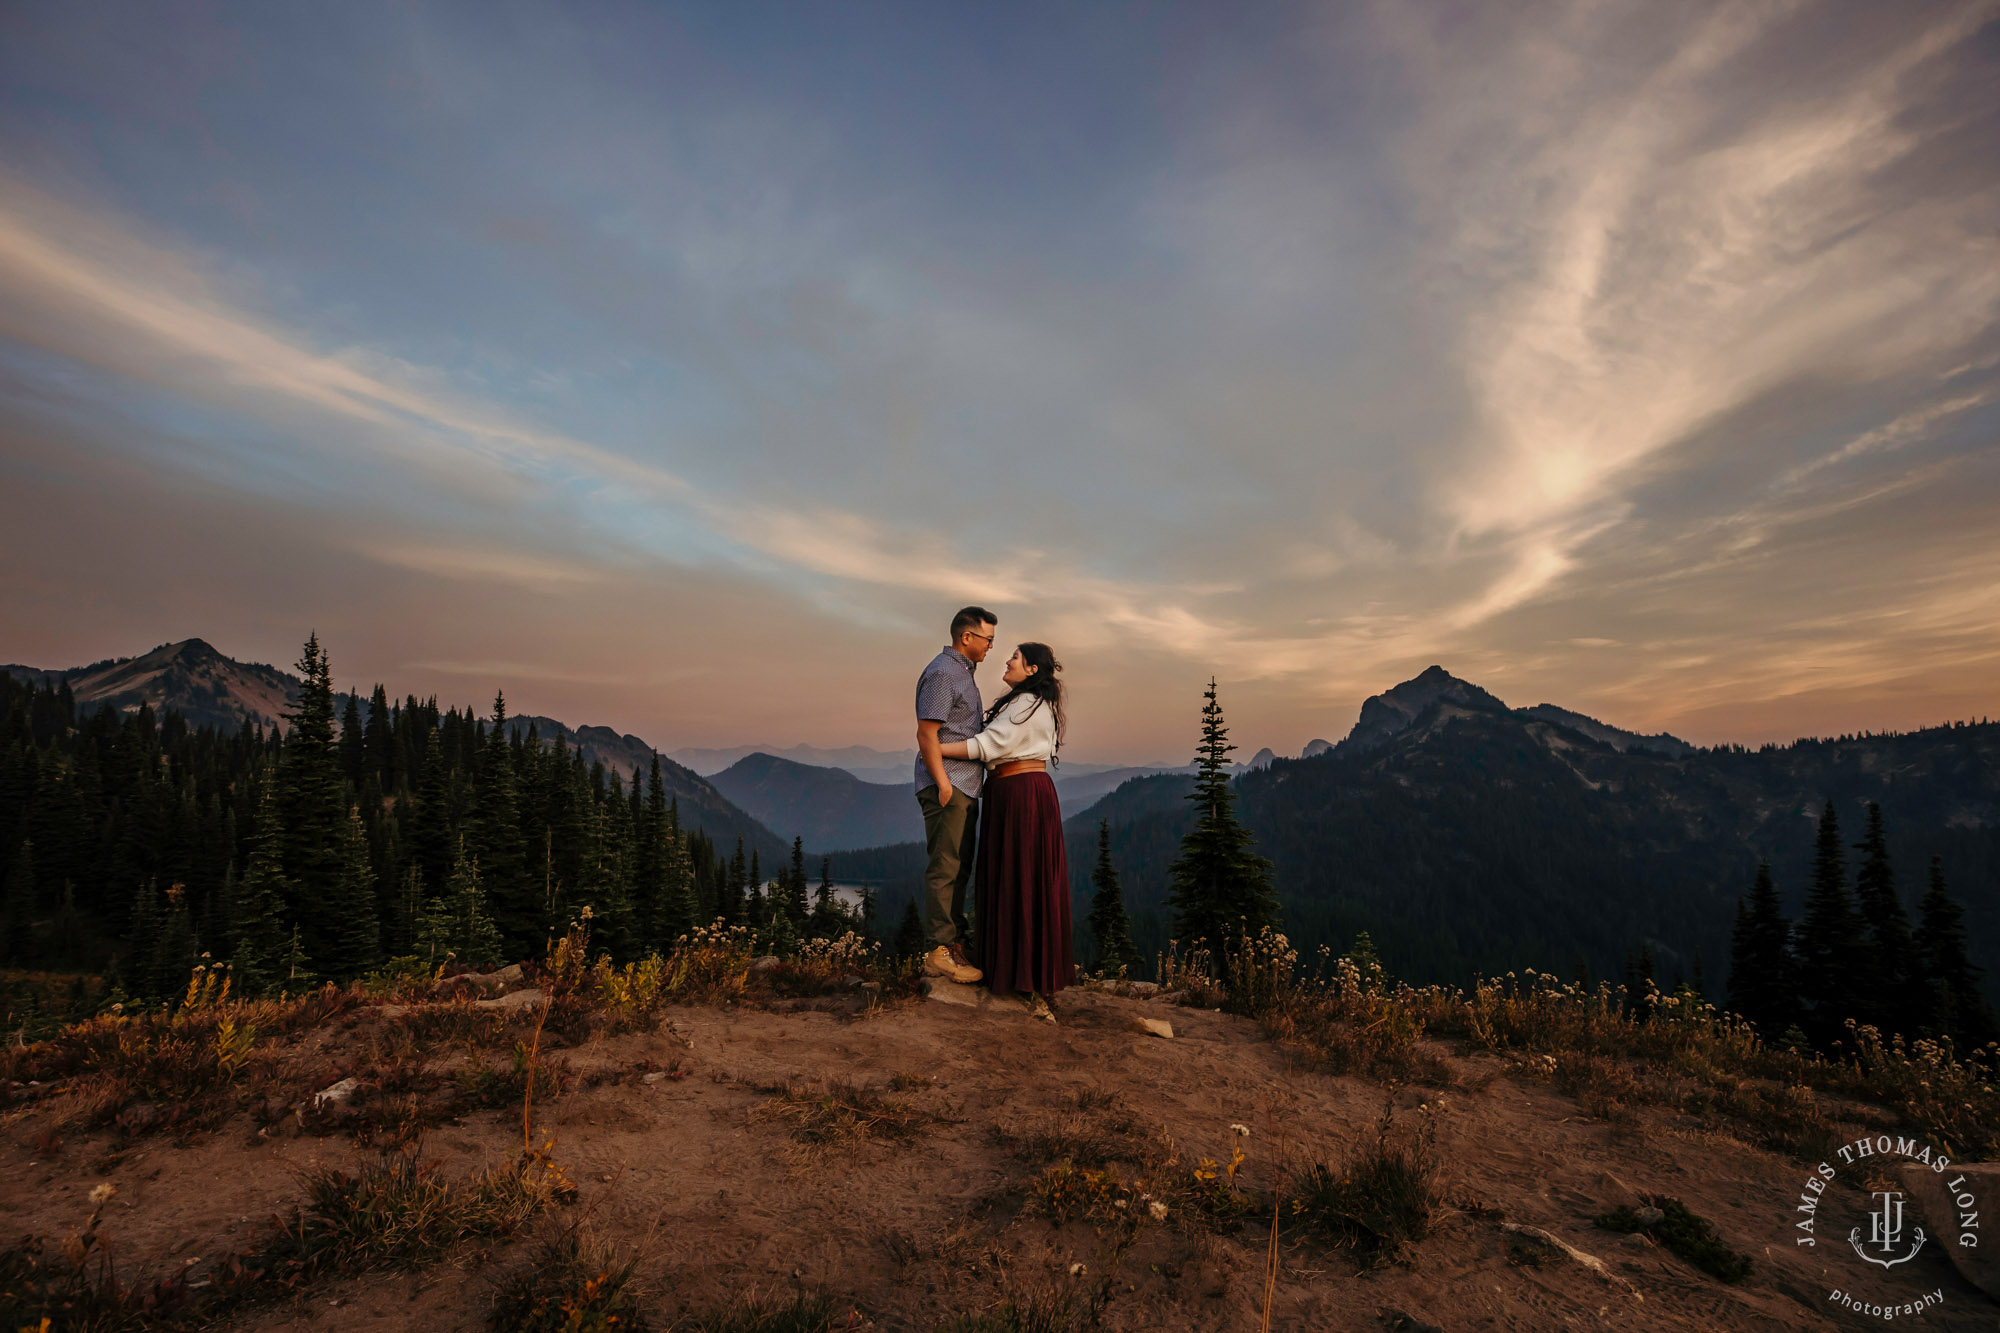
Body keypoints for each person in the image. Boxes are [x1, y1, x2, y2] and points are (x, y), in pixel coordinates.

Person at [939, 641, 1073, 1022]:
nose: (1008, 661)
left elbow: (988, 745)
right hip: (1020, 794)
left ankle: (1021, 976)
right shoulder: (1031, 702)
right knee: (1023, 879)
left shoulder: (1026, 704)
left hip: (1019, 795)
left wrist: (934, 745)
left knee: (1017, 878)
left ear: (1032, 669)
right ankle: (1027, 973)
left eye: (1015, 657)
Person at [913, 606, 998, 985]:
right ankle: (938, 951)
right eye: (988, 640)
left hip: (965, 785)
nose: (991, 647)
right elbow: (925, 733)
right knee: (945, 866)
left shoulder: (962, 673)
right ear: (967, 637)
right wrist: (944, 784)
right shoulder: (943, 673)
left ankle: (953, 944)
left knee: (959, 866)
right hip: (949, 786)